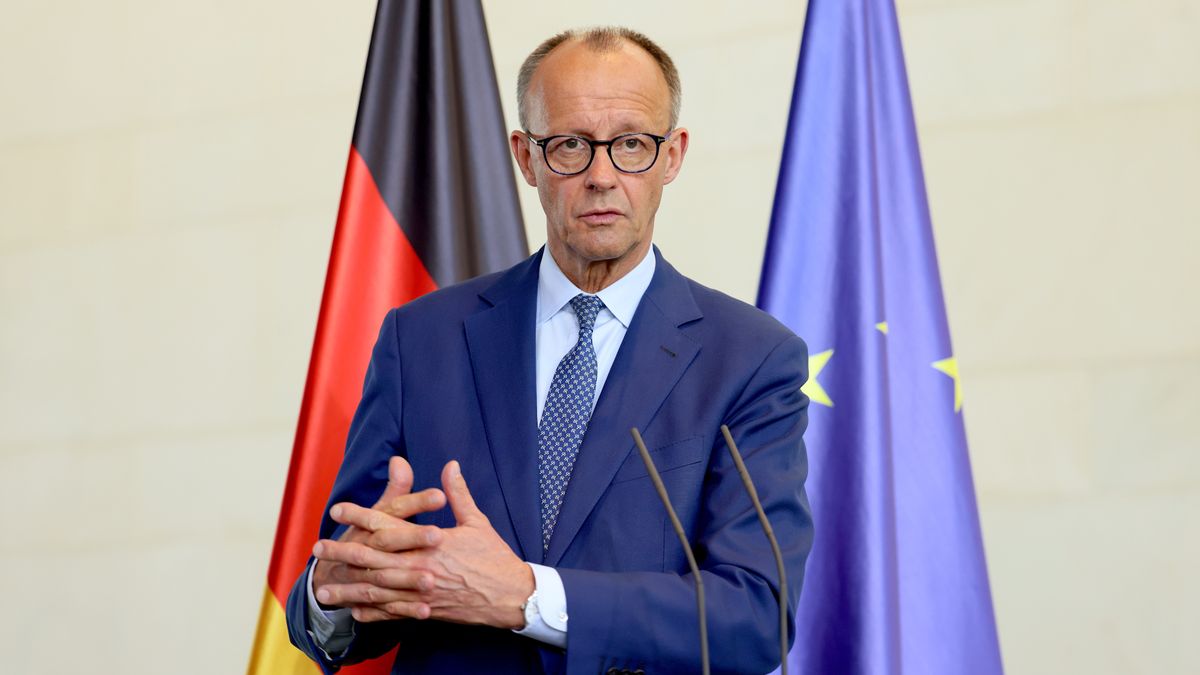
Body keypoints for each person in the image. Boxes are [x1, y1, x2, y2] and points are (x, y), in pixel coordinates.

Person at [286, 26, 813, 675]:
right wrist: (333, 590)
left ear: (672, 155)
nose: (600, 176)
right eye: (569, 145)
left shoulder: (752, 360)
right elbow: (339, 589)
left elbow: (754, 617)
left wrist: (526, 595)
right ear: (526, 156)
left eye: (630, 144)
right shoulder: (420, 340)